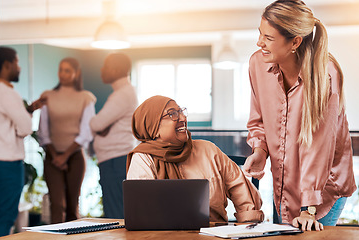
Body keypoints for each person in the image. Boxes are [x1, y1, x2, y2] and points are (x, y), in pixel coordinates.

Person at [243, 0, 356, 231]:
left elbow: (318, 148)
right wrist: (260, 151)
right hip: (284, 184)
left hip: (324, 190)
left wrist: (308, 209)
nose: (259, 42)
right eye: (260, 34)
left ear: (295, 42)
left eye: (268, 38)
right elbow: (258, 120)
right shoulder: (257, 64)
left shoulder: (325, 75)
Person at [127, 95, 264, 223]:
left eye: (181, 111)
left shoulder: (208, 150)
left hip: (214, 234)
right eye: (172, 114)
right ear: (153, 127)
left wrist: (247, 226)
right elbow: (143, 214)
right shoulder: (143, 159)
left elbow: (244, 198)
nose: (182, 118)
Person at [0, 46, 45, 239]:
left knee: (0, 213)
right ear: (7, 65)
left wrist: (29, 109)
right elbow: (25, 128)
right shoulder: (9, 93)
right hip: (7, 163)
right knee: (5, 216)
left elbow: (8, 123)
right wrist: (27, 116)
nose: (19, 67)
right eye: (17, 62)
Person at [37, 57, 96, 223]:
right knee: (56, 204)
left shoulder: (86, 98)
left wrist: (65, 156)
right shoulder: (47, 96)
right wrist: (56, 156)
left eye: (67, 70)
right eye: (61, 69)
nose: (63, 74)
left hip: (75, 157)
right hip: (52, 157)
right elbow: (43, 130)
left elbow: (86, 131)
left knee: (72, 206)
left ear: (76, 74)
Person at [90, 53, 138, 219]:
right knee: (116, 211)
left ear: (116, 69)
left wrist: (101, 126)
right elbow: (101, 125)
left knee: (115, 215)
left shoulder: (123, 94)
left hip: (116, 161)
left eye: (106, 66)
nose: (102, 70)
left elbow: (96, 124)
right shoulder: (122, 92)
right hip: (115, 160)